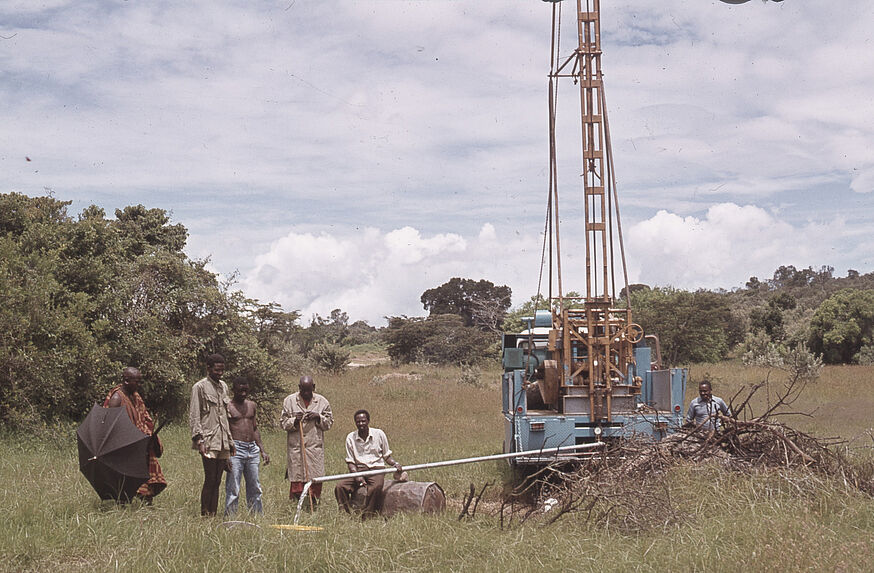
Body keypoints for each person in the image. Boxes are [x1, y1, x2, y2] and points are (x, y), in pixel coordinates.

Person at [103, 367, 167, 503]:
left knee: (147, 475)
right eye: (136, 382)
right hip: (125, 445)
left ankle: (146, 503)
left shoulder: (135, 396)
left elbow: (143, 417)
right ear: (126, 381)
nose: (139, 385)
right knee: (126, 479)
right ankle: (123, 505)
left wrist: (147, 435)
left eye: (139, 382)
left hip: (141, 444)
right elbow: (110, 425)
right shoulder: (116, 398)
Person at [334, 409, 403, 519]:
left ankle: (367, 516)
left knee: (375, 488)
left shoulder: (379, 434)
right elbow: (351, 462)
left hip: (377, 469)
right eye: (358, 422)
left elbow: (387, 456)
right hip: (359, 469)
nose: (361, 424)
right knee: (340, 487)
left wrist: (395, 464)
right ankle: (345, 514)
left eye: (363, 421)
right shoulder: (350, 438)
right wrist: (357, 476)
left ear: (368, 421)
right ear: (355, 422)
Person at [189, 353, 235, 516]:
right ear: (208, 368)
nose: (220, 373)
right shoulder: (199, 387)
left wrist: (230, 442)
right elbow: (195, 415)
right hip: (208, 439)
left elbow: (225, 416)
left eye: (222, 370)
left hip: (223, 440)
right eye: (217, 370)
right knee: (209, 479)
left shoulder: (223, 386)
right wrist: (199, 440)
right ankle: (204, 514)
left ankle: (213, 514)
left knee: (218, 480)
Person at [279, 375, 333, 505]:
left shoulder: (322, 402)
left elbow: (329, 423)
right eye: (303, 390)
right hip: (297, 447)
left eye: (309, 390)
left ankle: (313, 504)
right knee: (297, 477)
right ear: (299, 388)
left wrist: (318, 417)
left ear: (313, 387)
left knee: (315, 477)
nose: (306, 393)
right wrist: (294, 421)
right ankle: (297, 504)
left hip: (314, 447)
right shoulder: (289, 401)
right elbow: (283, 424)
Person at [225, 377, 270, 516]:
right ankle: (231, 518)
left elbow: (254, 429)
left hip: (252, 449)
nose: (243, 393)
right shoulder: (228, 406)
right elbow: (225, 430)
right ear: (234, 390)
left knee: (255, 486)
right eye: (240, 391)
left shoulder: (252, 405)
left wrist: (262, 450)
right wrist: (227, 453)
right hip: (235, 449)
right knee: (233, 487)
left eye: (246, 390)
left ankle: (256, 516)